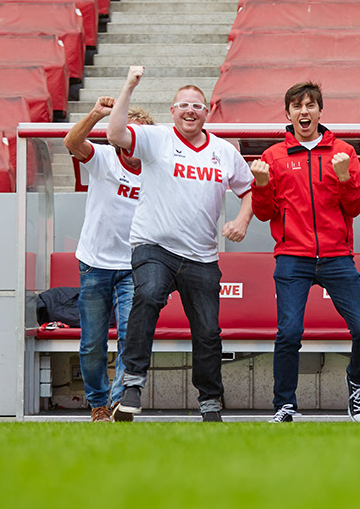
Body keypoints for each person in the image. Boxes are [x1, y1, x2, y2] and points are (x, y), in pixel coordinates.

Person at [105, 65, 254, 422]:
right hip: (154, 246)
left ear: (207, 112)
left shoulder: (224, 151)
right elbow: (114, 133)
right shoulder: (156, 138)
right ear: (173, 111)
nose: (190, 111)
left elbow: (249, 190)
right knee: (149, 294)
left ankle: (210, 401)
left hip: (201, 256)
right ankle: (132, 383)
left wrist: (242, 220)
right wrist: (129, 86)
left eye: (197, 106)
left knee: (207, 330)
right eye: (183, 105)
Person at [250, 81, 360, 423]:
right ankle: (285, 405)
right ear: (288, 113)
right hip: (293, 257)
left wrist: (343, 178)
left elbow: (355, 206)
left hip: (337, 257)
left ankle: (355, 382)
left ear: (321, 111)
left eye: (310, 105)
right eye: (297, 106)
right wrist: (261, 185)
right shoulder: (273, 157)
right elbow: (264, 214)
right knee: (289, 333)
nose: (304, 112)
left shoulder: (344, 153)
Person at [64, 97, 155, 422]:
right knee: (92, 343)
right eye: (128, 134)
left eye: (140, 136)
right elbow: (72, 142)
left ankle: (118, 403)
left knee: (132, 335)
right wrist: (96, 114)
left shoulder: (156, 170)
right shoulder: (102, 158)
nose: (133, 142)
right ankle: (98, 403)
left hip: (134, 266)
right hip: (95, 264)